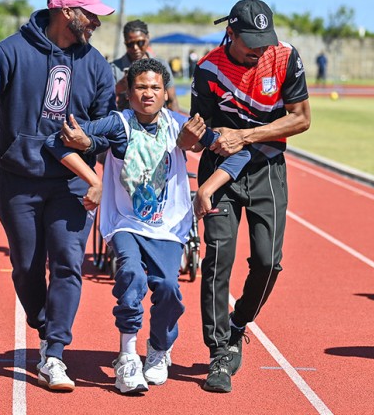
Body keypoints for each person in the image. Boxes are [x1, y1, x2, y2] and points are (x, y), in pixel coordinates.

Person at [0, 0, 116, 392]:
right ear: (66, 12)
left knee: (67, 263)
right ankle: (44, 324)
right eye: (90, 14)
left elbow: (108, 127)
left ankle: (54, 352)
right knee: (26, 267)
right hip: (18, 181)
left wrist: (88, 143)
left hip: (72, 183)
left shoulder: (96, 65)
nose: (96, 22)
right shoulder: (8, 52)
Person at [45, 58, 250, 394]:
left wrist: (206, 190)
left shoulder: (180, 126)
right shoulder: (117, 123)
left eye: (155, 87)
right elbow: (56, 141)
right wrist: (91, 172)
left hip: (167, 226)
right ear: (128, 93)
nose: (148, 93)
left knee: (168, 289)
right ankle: (127, 357)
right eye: (141, 87)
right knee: (131, 276)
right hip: (125, 222)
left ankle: (158, 348)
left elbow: (240, 155)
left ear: (166, 93)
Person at [178, 0, 311, 393]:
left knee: (268, 262)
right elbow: (201, 133)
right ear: (230, 34)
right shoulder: (208, 69)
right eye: (251, 42)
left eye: (264, 41)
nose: (259, 49)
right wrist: (197, 138)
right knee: (218, 259)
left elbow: (301, 118)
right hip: (221, 172)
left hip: (267, 168)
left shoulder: (284, 57)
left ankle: (238, 324)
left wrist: (247, 136)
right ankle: (219, 352)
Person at [111, 20, 181, 112]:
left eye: (140, 42)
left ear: (148, 38)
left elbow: (172, 100)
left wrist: (175, 120)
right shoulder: (114, 68)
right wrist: (120, 86)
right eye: (130, 44)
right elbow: (105, 100)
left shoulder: (161, 64)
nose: (135, 48)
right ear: (125, 43)